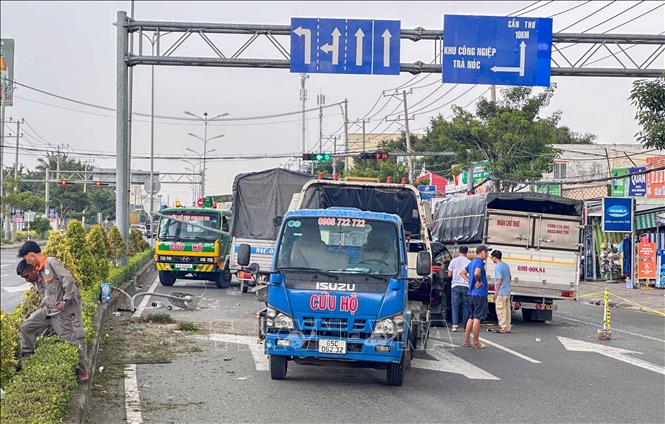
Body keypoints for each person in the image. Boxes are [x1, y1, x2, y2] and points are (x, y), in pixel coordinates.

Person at [17, 241, 89, 383]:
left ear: (31, 255)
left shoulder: (50, 262)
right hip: (48, 311)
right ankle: (26, 358)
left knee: (72, 339)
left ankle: (82, 372)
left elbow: (68, 280)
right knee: (26, 327)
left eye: (26, 258)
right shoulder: (38, 271)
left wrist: (66, 300)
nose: (26, 261)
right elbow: (46, 292)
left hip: (63, 312)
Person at [461, 245, 491, 349]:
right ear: (480, 253)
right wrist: (478, 281)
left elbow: (462, 272)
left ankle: (467, 340)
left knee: (471, 317)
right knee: (477, 318)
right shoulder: (479, 262)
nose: (487, 254)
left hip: (472, 293)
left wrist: (469, 281)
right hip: (480, 293)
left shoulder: (472, 262)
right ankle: (476, 342)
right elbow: (477, 273)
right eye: (485, 252)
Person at [447, 246, 471, 332]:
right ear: (466, 252)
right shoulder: (469, 262)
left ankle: (454, 325)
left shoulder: (453, 261)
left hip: (455, 286)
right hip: (466, 285)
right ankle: (465, 326)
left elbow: (449, 274)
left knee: (455, 306)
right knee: (466, 306)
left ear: (458, 251)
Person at [491, 250, 512, 334]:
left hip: (501, 292)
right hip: (507, 291)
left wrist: (496, 292)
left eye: (492, 257)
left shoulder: (498, 266)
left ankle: (503, 327)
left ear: (495, 257)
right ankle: (507, 327)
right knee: (507, 310)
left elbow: (499, 279)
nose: (492, 259)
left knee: (500, 310)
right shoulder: (506, 265)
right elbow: (510, 277)